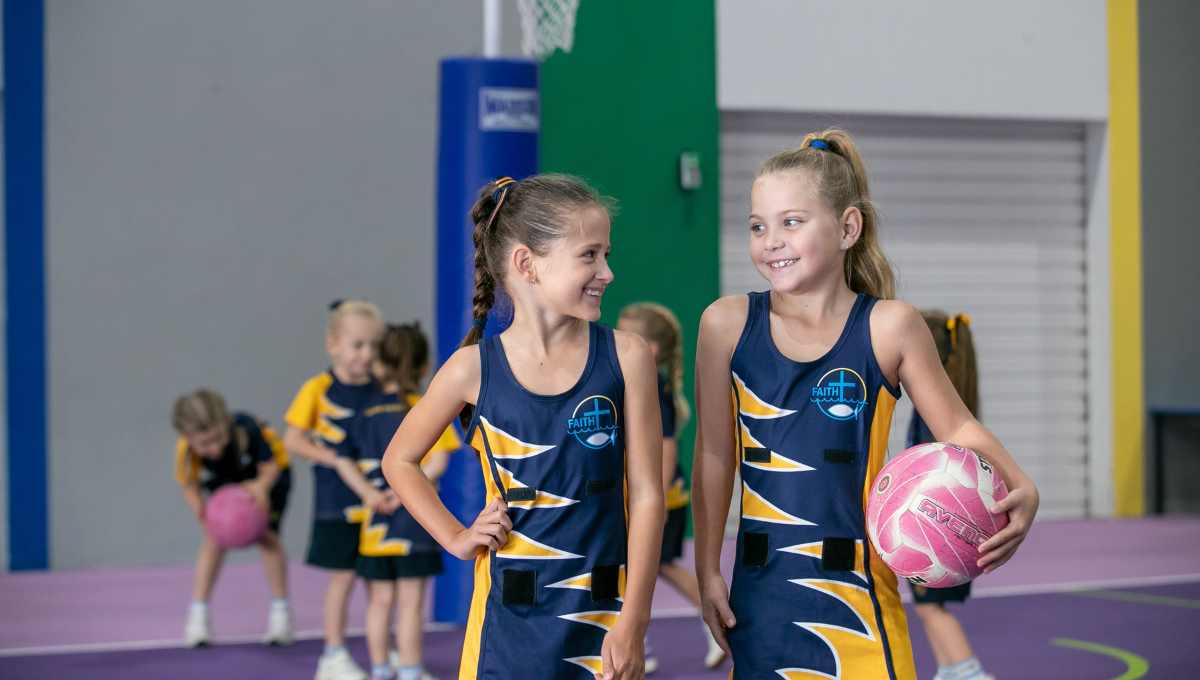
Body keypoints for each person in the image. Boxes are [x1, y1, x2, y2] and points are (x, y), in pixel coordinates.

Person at [690, 130, 1039, 679]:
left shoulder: (889, 326)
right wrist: (706, 567)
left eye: (792, 222)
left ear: (847, 227)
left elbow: (960, 427)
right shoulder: (725, 324)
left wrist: (1023, 483)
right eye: (758, 226)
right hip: (760, 598)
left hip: (860, 596)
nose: (771, 240)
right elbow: (713, 455)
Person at [382, 174, 664, 680]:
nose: (608, 272)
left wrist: (635, 619)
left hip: (601, 617)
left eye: (607, 254)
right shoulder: (472, 368)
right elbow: (399, 460)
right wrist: (455, 537)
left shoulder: (627, 357)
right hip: (507, 627)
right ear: (526, 264)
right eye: (590, 255)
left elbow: (646, 495)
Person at [335, 322, 461, 680]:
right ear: (423, 367)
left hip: (375, 524)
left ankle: (378, 669)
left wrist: (370, 493)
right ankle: (409, 670)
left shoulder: (364, 411)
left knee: (379, 600)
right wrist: (404, 489)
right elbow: (437, 460)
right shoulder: (424, 409)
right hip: (415, 520)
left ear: (379, 364)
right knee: (411, 601)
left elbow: (342, 458)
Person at [617, 302, 725, 672]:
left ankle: (710, 621)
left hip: (660, 500)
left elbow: (664, 450)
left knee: (649, 567)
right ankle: (644, 643)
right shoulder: (641, 383)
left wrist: (652, 509)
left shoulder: (653, 389)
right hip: (651, 500)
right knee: (648, 569)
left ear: (651, 349)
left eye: (628, 334)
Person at [284, 299, 384, 680]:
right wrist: (335, 459)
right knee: (342, 578)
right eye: (358, 345)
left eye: (373, 346)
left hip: (380, 503)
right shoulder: (318, 389)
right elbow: (293, 439)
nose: (366, 354)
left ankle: (382, 650)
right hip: (338, 501)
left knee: (381, 581)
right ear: (334, 344)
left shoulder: (383, 390)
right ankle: (334, 654)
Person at [907, 311, 994, 680]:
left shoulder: (937, 413)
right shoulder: (951, 404)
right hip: (942, 530)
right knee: (929, 606)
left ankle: (969, 671)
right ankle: (949, 669)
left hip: (938, 530)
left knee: (931, 608)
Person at [172, 388, 292, 648]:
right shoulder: (186, 451)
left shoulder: (248, 429)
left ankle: (280, 613)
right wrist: (204, 515)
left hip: (266, 477)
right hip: (223, 483)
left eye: (218, 438)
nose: (214, 448)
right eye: (205, 444)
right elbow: (190, 486)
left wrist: (259, 488)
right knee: (212, 542)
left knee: (268, 539)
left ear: (226, 423)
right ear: (188, 438)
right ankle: (198, 615)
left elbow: (271, 468)